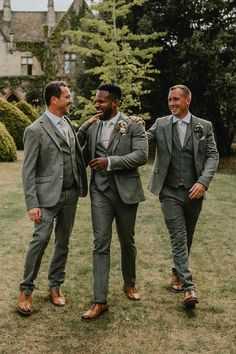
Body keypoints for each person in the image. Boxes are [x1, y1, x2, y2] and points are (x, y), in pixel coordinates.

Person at [77, 83, 148, 320]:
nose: (97, 104)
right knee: (100, 244)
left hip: (126, 192)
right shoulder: (93, 126)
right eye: (96, 100)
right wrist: (87, 123)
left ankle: (129, 283)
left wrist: (109, 162)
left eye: (101, 101)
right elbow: (77, 145)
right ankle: (100, 301)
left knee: (127, 241)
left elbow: (141, 155)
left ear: (115, 102)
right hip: (100, 193)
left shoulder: (134, 125)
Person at [17, 81, 88, 315]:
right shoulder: (34, 130)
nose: (71, 100)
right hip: (46, 198)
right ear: (54, 100)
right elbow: (28, 171)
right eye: (67, 97)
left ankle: (55, 286)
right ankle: (26, 291)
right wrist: (32, 204)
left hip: (70, 195)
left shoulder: (69, 124)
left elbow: (77, 148)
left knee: (63, 242)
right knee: (40, 241)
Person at [147, 84, 219, 307]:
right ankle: (189, 288)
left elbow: (213, 156)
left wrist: (203, 183)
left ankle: (177, 273)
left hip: (193, 192)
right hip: (168, 191)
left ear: (188, 100)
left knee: (187, 237)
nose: (172, 103)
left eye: (176, 99)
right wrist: (131, 125)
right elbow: (141, 139)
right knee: (178, 237)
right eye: (170, 100)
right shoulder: (161, 124)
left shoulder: (203, 126)